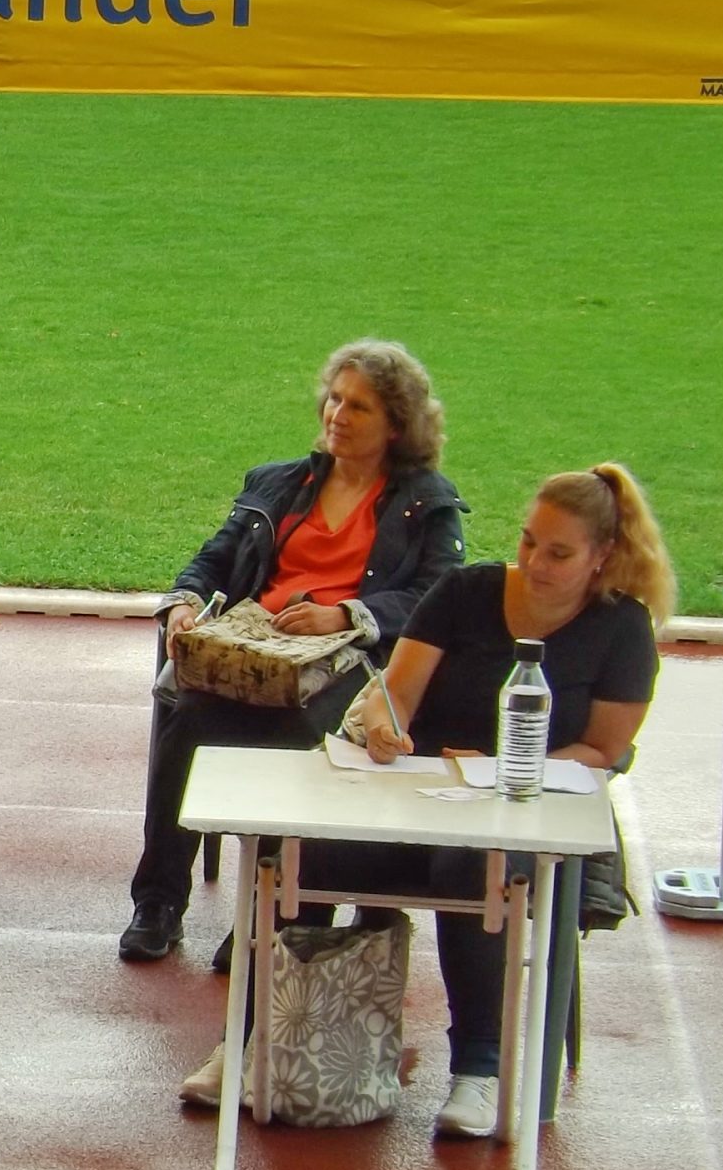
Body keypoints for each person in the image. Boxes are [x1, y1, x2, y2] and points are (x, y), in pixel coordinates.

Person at [182, 465, 674, 1138]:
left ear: (603, 557)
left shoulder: (623, 629)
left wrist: (502, 770)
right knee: (297, 849)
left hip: (516, 814)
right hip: (409, 796)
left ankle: (480, 1070)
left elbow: (604, 749)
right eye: (529, 541)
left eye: (559, 553)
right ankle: (241, 1042)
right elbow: (398, 690)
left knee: (475, 865)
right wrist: (387, 724)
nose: (535, 562)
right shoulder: (466, 592)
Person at [120, 342, 466, 966]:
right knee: (186, 721)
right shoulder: (280, 483)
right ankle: (158, 903)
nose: (337, 415)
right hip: (255, 658)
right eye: (334, 399)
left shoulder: (428, 502)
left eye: (358, 406)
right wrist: (184, 601)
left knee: (303, 736)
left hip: (349, 670)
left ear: (396, 424)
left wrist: (346, 614)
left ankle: (271, 915)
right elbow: (214, 557)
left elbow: (435, 597)